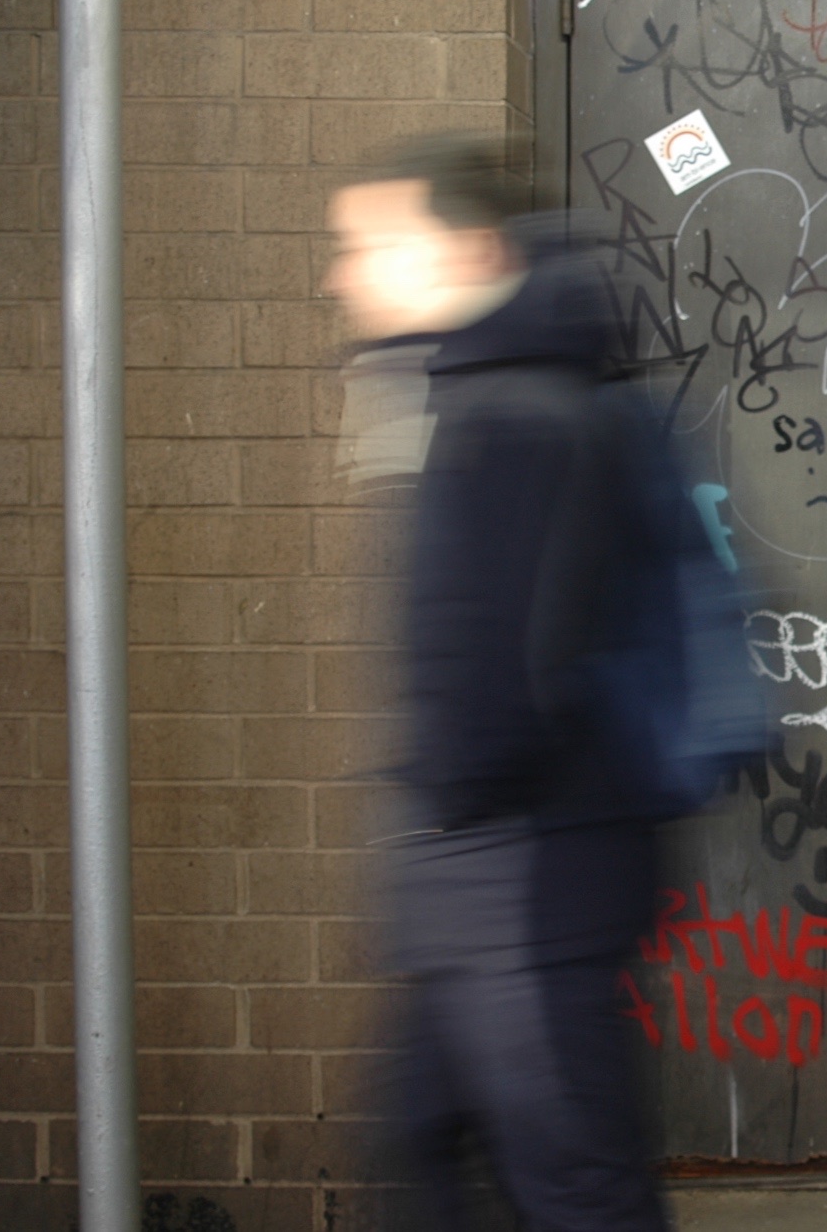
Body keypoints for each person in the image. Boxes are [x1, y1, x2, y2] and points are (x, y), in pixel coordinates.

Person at [324, 136, 669, 1231]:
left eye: (373, 243)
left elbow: (511, 676)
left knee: (577, 1186)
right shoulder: (480, 391)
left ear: (471, 251)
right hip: (486, 884)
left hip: (525, 883)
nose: (345, 272)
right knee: (425, 1145)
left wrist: (451, 792)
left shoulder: (517, 412)